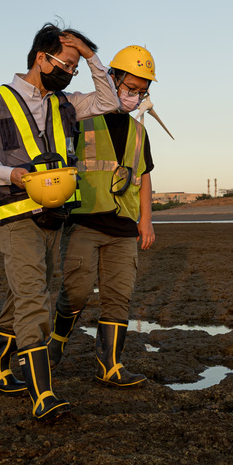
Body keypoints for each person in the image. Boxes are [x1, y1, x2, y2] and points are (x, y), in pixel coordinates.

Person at [0, 23, 120, 421]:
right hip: (15, 214)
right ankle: (43, 395)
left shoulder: (66, 104)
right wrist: (8, 174)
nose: (69, 72)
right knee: (34, 300)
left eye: (75, 67)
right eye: (66, 63)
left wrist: (89, 53)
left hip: (55, 215)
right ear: (41, 58)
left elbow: (110, 101)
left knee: (24, 292)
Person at [48, 44, 169, 387]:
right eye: (130, 88)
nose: (134, 96)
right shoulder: (81, 116)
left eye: (141, 91)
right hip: (83, 220)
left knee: (119, 297)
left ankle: (110, 365)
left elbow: (144, 176)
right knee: (77, 291)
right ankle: (56, 344)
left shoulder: (139, 131)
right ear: (112, 78)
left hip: (123, 227)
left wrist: (146, 221)